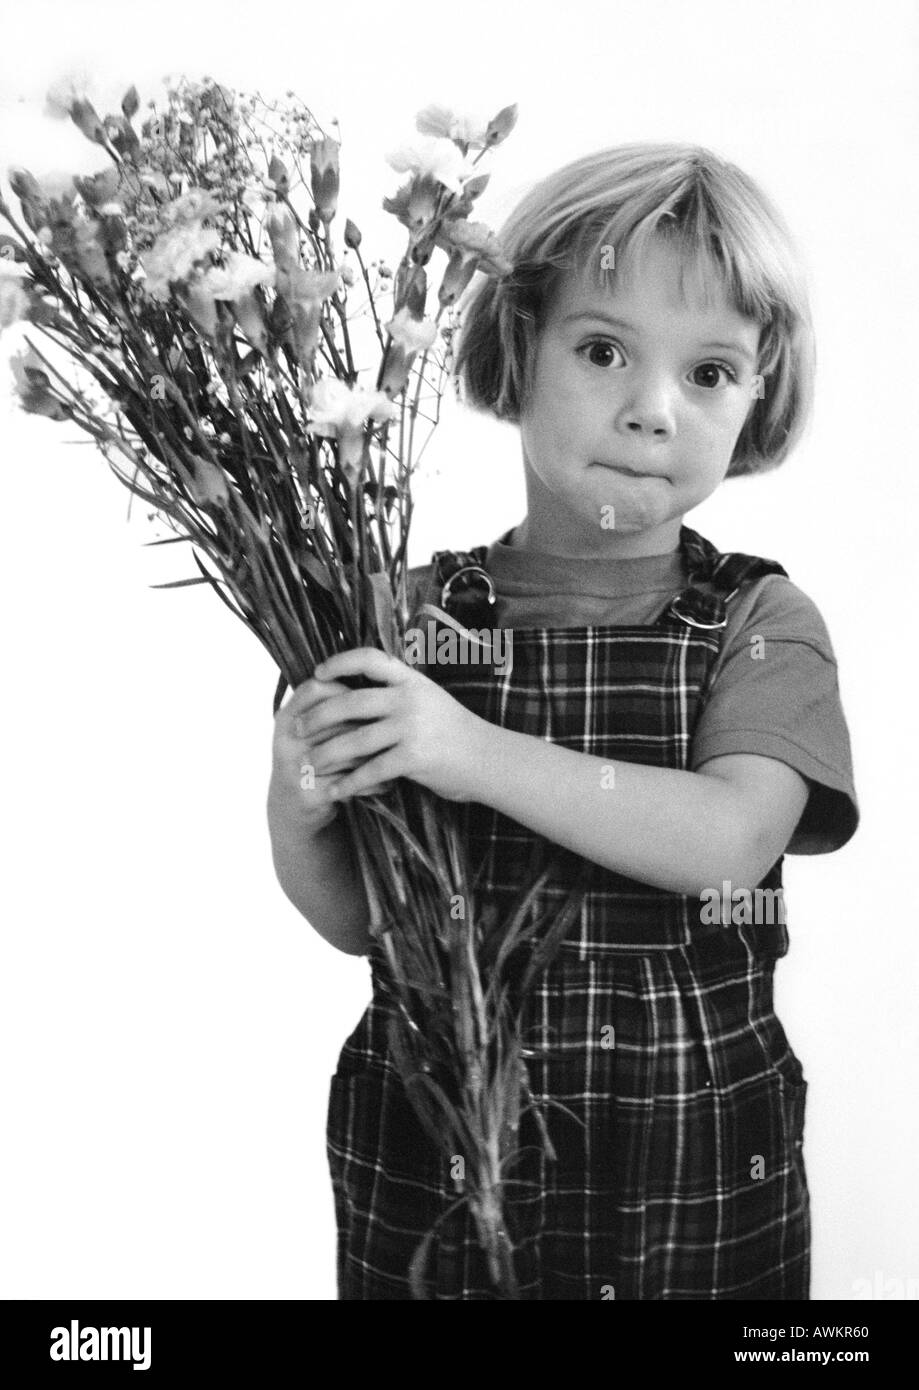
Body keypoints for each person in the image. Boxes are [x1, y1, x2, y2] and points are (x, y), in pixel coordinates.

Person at [266, 142, 859, 1299]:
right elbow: (356, 918)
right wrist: (300, 796)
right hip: (435, 1163)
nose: (650, 412)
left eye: (709, 374)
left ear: (760, 388)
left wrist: (466, 752)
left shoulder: (761, 621)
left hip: (688, 1173)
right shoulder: (405, 616)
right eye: (601, 350)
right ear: (517, 343)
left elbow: (728, 842)